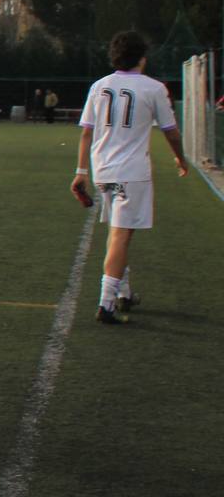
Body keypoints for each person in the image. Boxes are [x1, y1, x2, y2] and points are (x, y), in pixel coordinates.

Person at [73, 30, 188, 324]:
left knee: (119, 231)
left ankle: (122, 293)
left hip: (103, 171)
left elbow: (87, 131)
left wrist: (81, 172)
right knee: (122, 234)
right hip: (132, 173)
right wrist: (180, 158)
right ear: (142, 57)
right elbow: (171, 131)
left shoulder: (99, 86)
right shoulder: (153, 88)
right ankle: (106, 303)